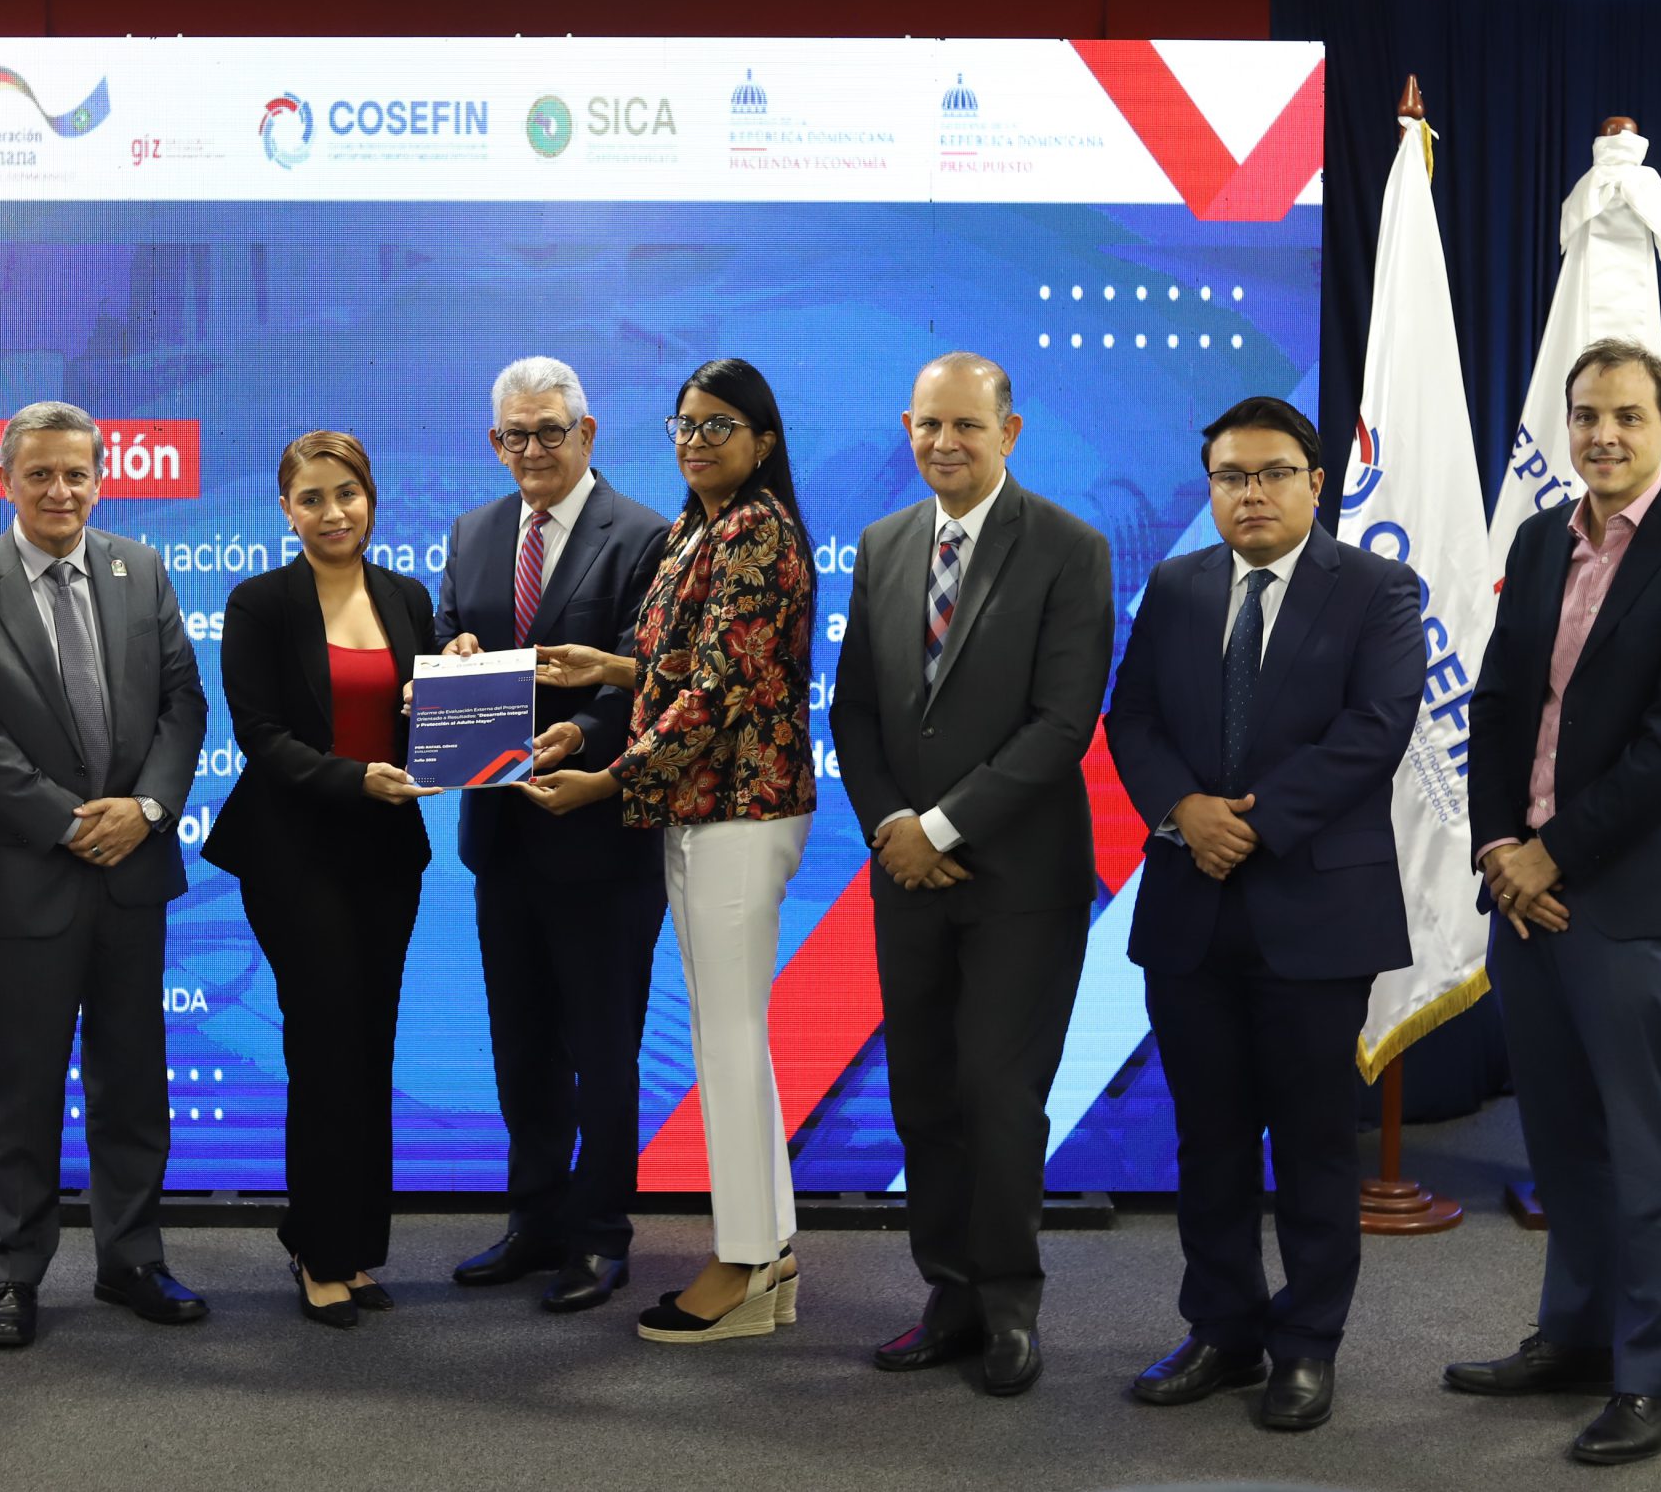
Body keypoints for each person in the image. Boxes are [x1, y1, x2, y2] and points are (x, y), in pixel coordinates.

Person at [1447, 341, 1661, 1467]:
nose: (1603, 434)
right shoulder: (1541, 540)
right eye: (1586, 415)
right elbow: (1497, 704)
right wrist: (1499, 845)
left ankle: (1652, 1378)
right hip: (1524, 894)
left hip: (1632, 901)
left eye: (1628, 414)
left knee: (1649, 1153)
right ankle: (1576, 1338)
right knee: (1565, 1140)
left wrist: (1552, 855)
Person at [1105, 395, 1424, 1433]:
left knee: (1314, 1142)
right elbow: (1131, 716)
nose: (1251, 493)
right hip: (1190, 905)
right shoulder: (1177, 583)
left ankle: (1308, 1344)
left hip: (1315, 908)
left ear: (1314, 482)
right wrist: (1182, 810)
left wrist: (1249, 823)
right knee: (1208, 1139)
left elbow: (1375, 727)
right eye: (1230, 476)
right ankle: (1223, 1327)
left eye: (1273, 472)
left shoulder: (1376, 587)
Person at [829, 353, 1113, 1396]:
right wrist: (891, 826)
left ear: (1010, 431)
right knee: (923, 1096)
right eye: (928, 424)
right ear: (907, 426)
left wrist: (942, 826)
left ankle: (1008, 1305)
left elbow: (1062, 722)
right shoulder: (883, 542)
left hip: (1020, 882)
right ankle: (946, 1292)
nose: (944, 442)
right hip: (905, 875)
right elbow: (855, 708)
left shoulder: (1071, 547)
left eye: (966, 425)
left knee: (998, 1096)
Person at [520, 357, 816, 1346]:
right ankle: (770, 1247)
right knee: (732, 1037)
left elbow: (720, 691)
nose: (695, 440)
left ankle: (743, 1260)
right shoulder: (700, 527)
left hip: (740, 806)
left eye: (718, 424)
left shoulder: (757, 531)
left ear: (763, 440)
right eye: (684, 424)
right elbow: (681, 662)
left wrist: (609, 778)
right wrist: (608, 667)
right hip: (700, 807)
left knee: (727, 1040)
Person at [0, 401, 209, 1348]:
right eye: (40, 473)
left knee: (134, 1084)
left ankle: (132, 1258)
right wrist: (71, 822)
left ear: (99, 478)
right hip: (25, 883)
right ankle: (14, 1272)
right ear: (5, 479)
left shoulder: (141, 568)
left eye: (76, 473)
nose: (59, 491)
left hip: (133, 872)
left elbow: (183, 703)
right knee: (23, 1089)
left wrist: (149, 809)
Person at [434, 358, 671, 1313]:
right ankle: (534, 1219)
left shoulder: (647, 536)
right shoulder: (473, 530)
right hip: (503, 839)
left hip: (604, 837)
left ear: (588, 432)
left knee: (603, 1049)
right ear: (495, 442)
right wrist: (451, 653)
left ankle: (601, 1232)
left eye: (548, 431)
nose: (530, 450)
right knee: (521, 1045)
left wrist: (587, 736)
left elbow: (656, 678)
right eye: (513, 435)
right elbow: (451, 631)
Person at [204, 431, 440, 1329]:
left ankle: (353, 1245)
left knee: (370, 1047)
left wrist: (452, 679)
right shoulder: (260, 602)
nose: (333, 511)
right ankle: (317, 1247)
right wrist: (354, 778)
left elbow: (425, 718)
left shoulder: (407, 596)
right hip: (295, 854)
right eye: (312, 497)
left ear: (370, 497)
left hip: (388, 852)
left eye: (347, 492)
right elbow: (261, 736)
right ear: (286, 509)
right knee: (325, 1044)